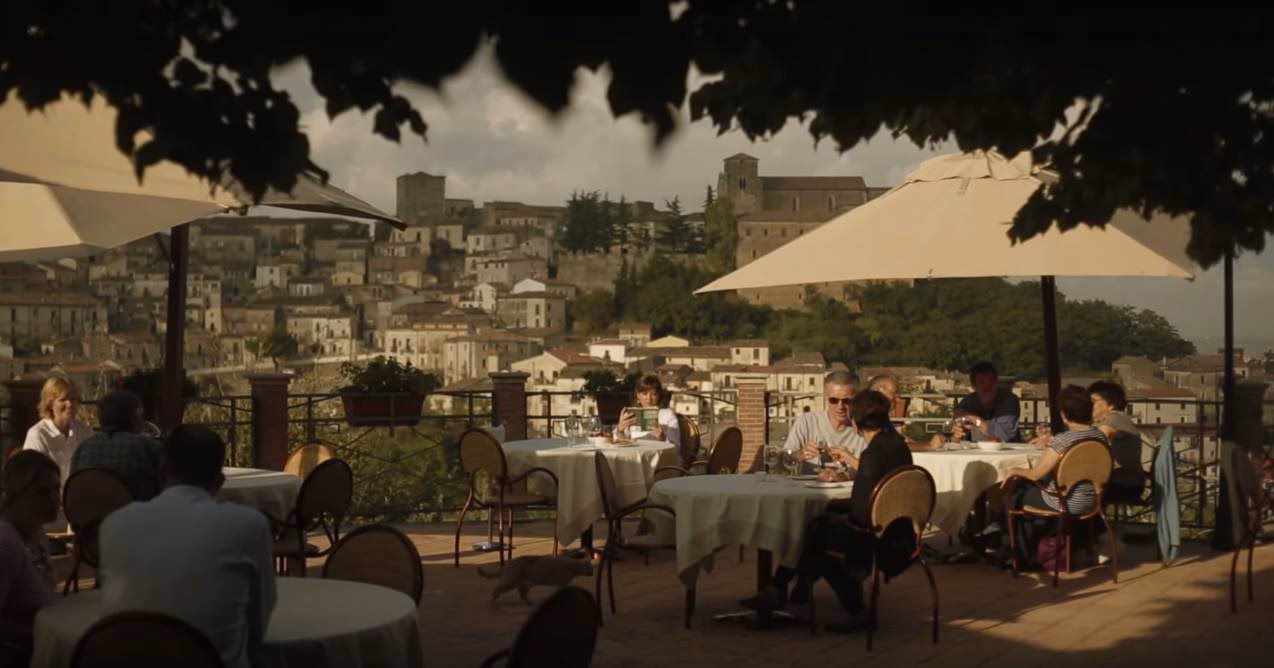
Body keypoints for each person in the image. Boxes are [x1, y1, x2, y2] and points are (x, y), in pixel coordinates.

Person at [99, 426, 275, 668]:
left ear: (161, 471)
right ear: (219, 482)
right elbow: (259, 616)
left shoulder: (114, 524)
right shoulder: (248, 526)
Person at [744, 391, 914, 632]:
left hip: (880, 540)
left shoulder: (873, 454)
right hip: (902, 533)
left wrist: (832, 515)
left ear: (855, 422)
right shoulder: (897, 446)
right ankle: (783, 588)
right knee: (817, 527)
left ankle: (853, 610)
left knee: (814, 535)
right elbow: (874, 497)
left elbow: (860, 515)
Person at [1001, 385, 1110, 567]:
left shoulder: (1064, 440)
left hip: (1063, 501)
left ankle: (1020, 557)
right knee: (1028, 494)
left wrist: (1014, 471)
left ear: (1064, 414)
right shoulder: (1099, 436)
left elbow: (1035, 474)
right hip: (1092, 501)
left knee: (1014, 496)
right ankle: (1035, 548)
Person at [0, 451, 60, 653]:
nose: (55, 498)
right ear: (17, 495)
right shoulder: (5, 543)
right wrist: (47, 634)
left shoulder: (36, 531)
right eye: (43, 492)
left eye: (57, 489)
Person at [70, 389, 164, 501]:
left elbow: (73, 490)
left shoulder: (82, 448)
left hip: (90, 511)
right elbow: (168, 491)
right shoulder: (149, 447)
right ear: (135, 417)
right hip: (138, 511)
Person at [784, 371, 867, 473]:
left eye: (846, 401)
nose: (840, 406)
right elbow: (783, 460)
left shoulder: (865, 428)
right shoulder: (807, 421)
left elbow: (873, 470)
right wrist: (799, 455)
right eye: (834, 400)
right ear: (825, 398)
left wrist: (849, 461)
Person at [22, 376, 93, 484]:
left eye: (73, 399)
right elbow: (33, 477)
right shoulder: (37, 435)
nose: (69, 404)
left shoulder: (84, 430)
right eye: (63, 400)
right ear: (50, 404)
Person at [1089, 380, 1147, 503]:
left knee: (1072, 490)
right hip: (1124, 481)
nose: (1088, 406)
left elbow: (1093, 439)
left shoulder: (1115, 418)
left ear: (1111, 404)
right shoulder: (1110, 419)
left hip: (1124, 485)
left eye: (1093, 401)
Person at [868, 374, 942, 451]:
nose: (898, 399)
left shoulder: (880, 417)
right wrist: (929, 446)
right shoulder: (870, 415)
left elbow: (896, 443)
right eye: (893, 393)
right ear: (879, 391)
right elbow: (889, 446)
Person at [951, 362, 1020, 443]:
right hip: (974, 449)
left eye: (991, 381)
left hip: (1006, 449)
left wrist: (976, 420)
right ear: (974, 386)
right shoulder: (969, 401)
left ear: (996, 383)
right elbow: (958, 417)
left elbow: (1001, 435)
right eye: (981, 382)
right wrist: (957, 434)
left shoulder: (1009, 401)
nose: (987, 386)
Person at [616, 374, 682, 454]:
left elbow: (676, 449)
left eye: (654, 394)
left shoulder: (668, 414)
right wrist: (620, 430)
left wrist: (662, 437)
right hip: (635, 455)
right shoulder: (632, 414)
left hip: (658, 458)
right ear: (638, 396)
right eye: (644, 394)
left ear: (659, 395)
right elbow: (619, 445)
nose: (649, 398)